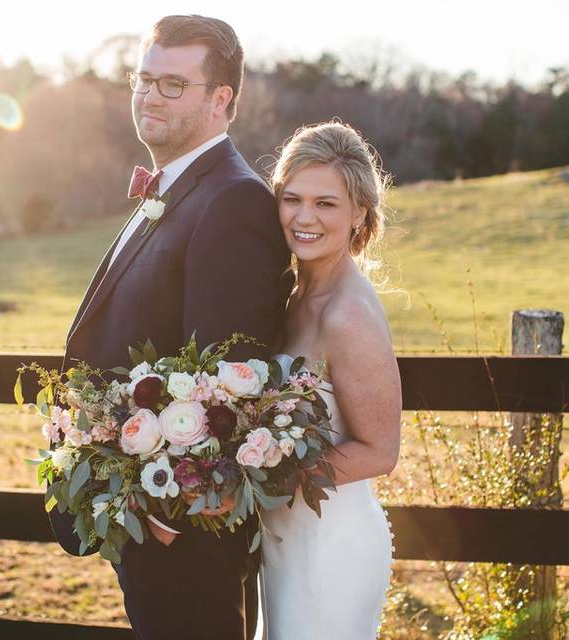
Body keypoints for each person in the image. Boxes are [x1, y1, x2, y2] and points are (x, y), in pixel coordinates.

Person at [51, 14, 291, 640]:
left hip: (182, 534)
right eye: (144, 79)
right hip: (144, 521)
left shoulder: (233, 201)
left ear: (222, 100)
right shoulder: (172, 190)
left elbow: (229, 377)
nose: (150, 95)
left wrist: (171, 511)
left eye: (173, 85)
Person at [259, 121, 402, 639]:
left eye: (326, 204)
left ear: (359, 213)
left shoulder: (349, 314)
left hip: (328, 545)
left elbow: (379, 451)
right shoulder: (294, 297)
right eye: (291, 199)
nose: (303, 218)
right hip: (280, 538)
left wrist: (255, 482)